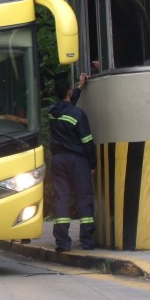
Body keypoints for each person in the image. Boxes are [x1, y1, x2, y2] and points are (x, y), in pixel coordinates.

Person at [48, 73, 96, 252]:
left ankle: (62, 243)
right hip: (77, 160)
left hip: (58, 161)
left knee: (61, 198)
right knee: (83, 197)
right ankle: (88, 241)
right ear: (68, 91)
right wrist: (92, 164)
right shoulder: (78, 115)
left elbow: (66, 106)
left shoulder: (53, 112)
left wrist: (79, 88)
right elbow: (87, 142)